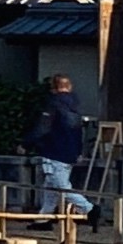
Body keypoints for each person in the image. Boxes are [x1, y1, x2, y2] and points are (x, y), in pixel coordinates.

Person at [29, 76, 90, 208]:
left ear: (53, 88)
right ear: (69, 87)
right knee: (50, 186)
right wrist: (79, 151)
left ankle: (89, 208)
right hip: (71, 151)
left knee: (62, 187)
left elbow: (43, 128)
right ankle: (44, 218)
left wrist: (26, 143)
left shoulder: (53, 104)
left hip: (54, 151)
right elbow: (79, 131)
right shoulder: (76, 107)